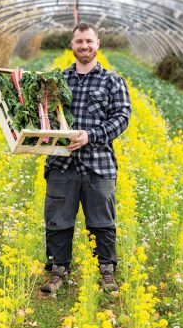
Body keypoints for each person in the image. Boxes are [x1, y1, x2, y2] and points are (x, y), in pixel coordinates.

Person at [39, 22, 132, 294]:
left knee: (102, 221)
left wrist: (91, 135)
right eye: (79, 41)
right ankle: (58, 270)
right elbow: (41, 116)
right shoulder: (56, 81)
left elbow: (122, 118)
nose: (84, 46)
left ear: (97, 44)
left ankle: (106, 271)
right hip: (61, 162)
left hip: (99, 162)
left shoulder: (112, 81)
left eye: (89, 41)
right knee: (58, 220)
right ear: (72, 45)